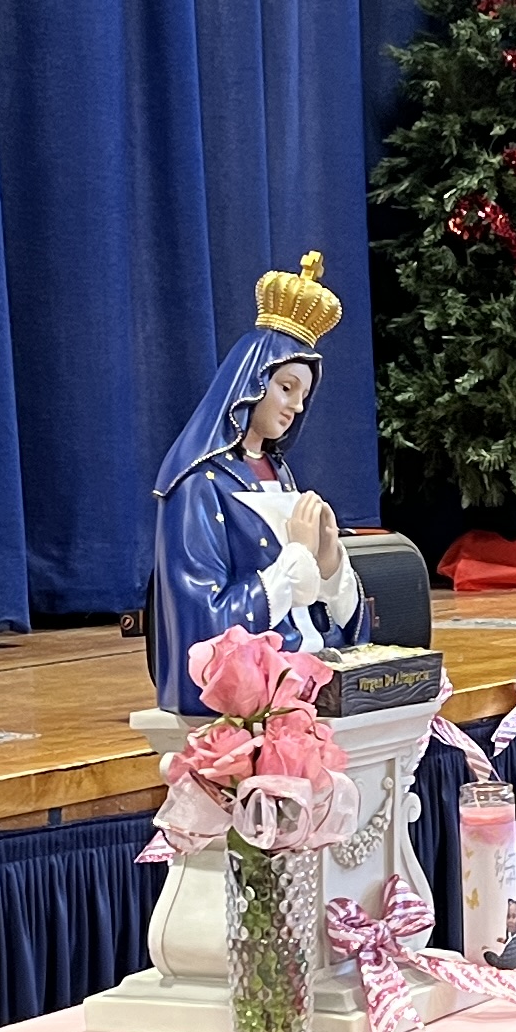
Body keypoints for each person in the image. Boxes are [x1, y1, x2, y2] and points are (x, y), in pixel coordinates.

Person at [147, 253, 372, 716]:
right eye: (286, 387)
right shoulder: (197, 485)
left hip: (310, 676)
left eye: (303, 395)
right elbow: (203, 622)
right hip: (260, 698)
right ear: (251, 383)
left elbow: (317, 613)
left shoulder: (278, 472)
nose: (294, 406)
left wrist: (331, 567)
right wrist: (292, 562)